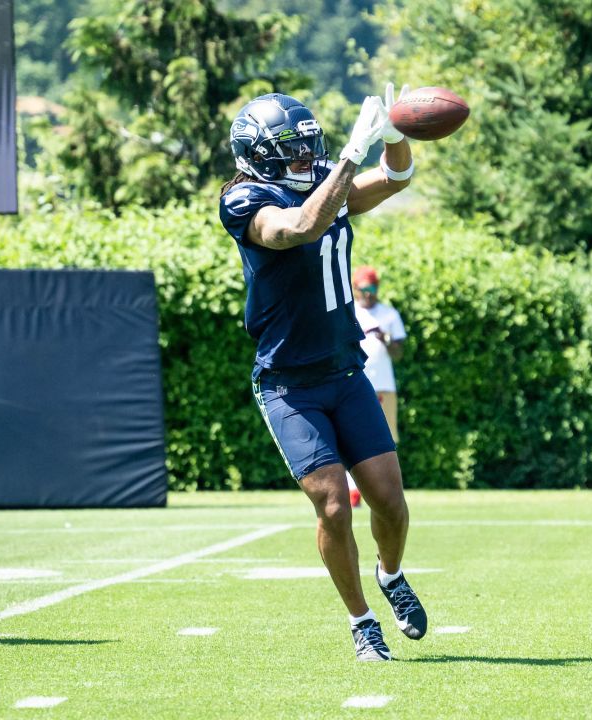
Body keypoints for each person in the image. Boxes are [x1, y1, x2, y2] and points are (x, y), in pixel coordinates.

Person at [219, 86, 428, 661]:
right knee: (334, 503)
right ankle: (362, 622)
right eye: (288, 148)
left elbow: (396, 178)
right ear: (255, 153)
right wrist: (349, 156)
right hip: (288, 382)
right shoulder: (243, 201)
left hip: (345, 369)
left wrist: (394, 136)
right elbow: (299, 229)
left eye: (307, 145)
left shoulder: (320, 183)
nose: (301, 157)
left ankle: (391, 575)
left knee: (390, 499)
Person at [347, 265, 408, 508]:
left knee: (385, 440)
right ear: (355, 288)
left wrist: (385, 338)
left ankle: (384, 491)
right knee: (350, 437)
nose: (368, 294)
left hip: (383, 385)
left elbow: (399, 354)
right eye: (364, 289)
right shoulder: (348, 312)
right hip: (352, 383)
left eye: (372, 289)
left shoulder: (389, 314)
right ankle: (353, 490)